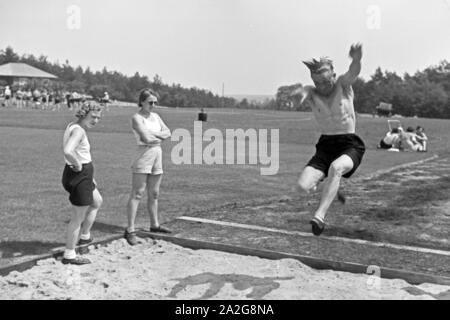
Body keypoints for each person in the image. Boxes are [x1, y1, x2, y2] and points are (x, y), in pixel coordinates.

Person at [293, 43, 366, 236]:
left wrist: (356, 59)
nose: (323, 87)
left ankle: (319, 216)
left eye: (326, 82)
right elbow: (302, 93)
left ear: (333, 75)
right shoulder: (311, 92)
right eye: (318, 83)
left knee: (336, 168)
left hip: (349, 144)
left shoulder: (343, 85)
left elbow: (353, 71)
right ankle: (332, 188)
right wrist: (298, 95)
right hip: (325, 146)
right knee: (302, 187)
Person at [124, 89, 172, 245]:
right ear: (142, 102)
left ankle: (154, 225)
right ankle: (130, 229)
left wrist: (155, 136)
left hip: (157, 154)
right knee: (137, 192)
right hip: (143, 154)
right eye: (150, 102)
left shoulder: (156, 117)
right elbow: (145, 138)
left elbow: (168, 132)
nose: (153, 105)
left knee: (155, 193)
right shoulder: (136, 118)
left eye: (155, 102)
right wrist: (159, 136)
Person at [61, 101, 103, 264]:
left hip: (82, 175)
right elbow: (68, 151)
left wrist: (89, 176)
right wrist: (78, 165)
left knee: (97, 201)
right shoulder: (78, 131)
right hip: (78, 175)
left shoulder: (74, 126)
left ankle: (85, 237)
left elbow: (76, 153)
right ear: (84, 113)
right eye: (93, 116)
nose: (96, 120)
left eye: (98, 117)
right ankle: (70, 254)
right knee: (77, 217)